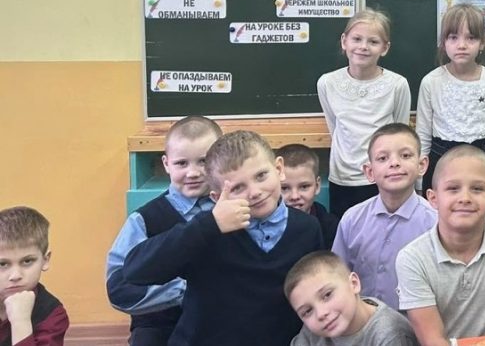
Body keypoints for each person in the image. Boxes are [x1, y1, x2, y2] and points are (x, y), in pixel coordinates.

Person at [123, 130, 324, 346]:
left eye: (261, 176)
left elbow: (313, 295)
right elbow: (135, 272)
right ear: (217, 197)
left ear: (279, 169)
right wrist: (209, 224)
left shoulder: (307, 228)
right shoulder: (205, 232)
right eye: (237, 187)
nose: (254, 192)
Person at [397, 145, 485, 345]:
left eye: (477, 189)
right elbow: (433, 340)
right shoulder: (412, 258)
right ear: (433, 198)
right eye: (453, 189)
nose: (465, 198)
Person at [106, 115, 221, 345]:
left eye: (203, 161)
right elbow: (119, 289)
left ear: (220, 161)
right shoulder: (143, 221)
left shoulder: (235, 209)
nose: (193, 173)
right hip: (161, 327)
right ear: (166, 163)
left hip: (221, 323)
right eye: (181, 163)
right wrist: (188, 289)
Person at [318, 7, 412, 216]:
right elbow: (335, 127)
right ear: (344, 41)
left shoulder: (397, 85)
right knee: (345, 232)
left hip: (382, 177)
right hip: (342, 178)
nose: (363, 47)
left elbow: (400, 134)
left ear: (385, 48)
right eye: (357, 39)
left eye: (373, 41)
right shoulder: (327, 83)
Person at [333, 123, 437, 310]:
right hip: (363, 322)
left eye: (405, 155)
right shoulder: (352, 219)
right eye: (382, 158)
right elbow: (337, 276)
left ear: (422, 165)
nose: (394, 163)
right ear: (369, 172)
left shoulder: (435, 224)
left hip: (415, 323)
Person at [416, 3, 485, 209]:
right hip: (441, 162)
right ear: (443, 42)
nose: (462, 45)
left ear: (482, 43)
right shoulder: (431, 82)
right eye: (453, 37)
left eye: (471, 38)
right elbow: (423, 135)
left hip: (482, 162)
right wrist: (420, 183)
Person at [285, 251, 417, 346]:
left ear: (354, 284)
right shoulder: (313, 331)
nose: (320, 314)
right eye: (307, 311)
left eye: (327, 295)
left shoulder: (390, 334)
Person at [0, 206, 68, 346]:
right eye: (2, 264)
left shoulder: (52, 313)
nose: (15, 276)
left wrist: (21, 322)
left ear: (45, 260)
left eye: (27, 261)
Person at [278, 144, 338, 250]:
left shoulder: (330, 227)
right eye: (284, 188)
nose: (294, 196)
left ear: (317, 186)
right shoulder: (263, 226)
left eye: (304, 187)